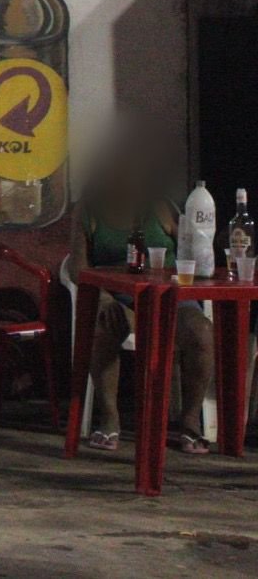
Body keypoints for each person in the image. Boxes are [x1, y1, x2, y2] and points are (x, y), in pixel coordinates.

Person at [70, 140, 214, 453]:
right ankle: (110, 418)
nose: (129, 179)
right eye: (121, 172)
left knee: (201, 331)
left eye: (136, 173)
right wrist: (103, 297)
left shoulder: (159, 207)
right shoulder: (90, 211)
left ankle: (190, 422)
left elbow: (194, 248)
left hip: (170, 298)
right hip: (120, 298)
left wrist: (200, 250)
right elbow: (76, 267)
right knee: (103, 326)